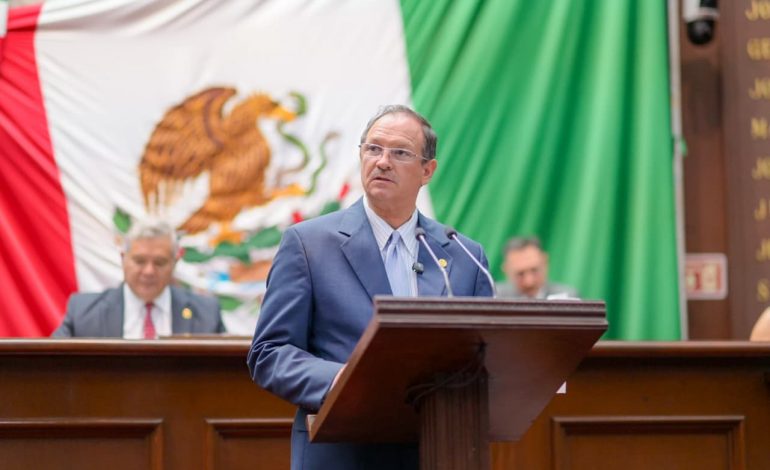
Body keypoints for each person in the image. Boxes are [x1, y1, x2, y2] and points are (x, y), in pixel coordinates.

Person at [247, 105, 494, 470]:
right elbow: (269, 352)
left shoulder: (461, 255)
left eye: (400, 153)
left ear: (427, 170)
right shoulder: (308, 244)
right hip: (341, 451)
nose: (382, 162)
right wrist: (345, 381)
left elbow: (483, 359)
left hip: (438, 450)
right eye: (373, 149)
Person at [52, 218, 224, 338]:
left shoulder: (206, 314)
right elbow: (48, 368)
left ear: (175, 263)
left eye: (159, 262)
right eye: (140, 261)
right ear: (123, 258)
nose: (149, 271)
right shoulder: (84, 312)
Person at [497, 236, 579, 300]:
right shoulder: (495, 298)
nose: (529, 281)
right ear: (506, 270)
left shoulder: (568, 297)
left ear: (545, 262)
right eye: (520, 274)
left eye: (534, 271)